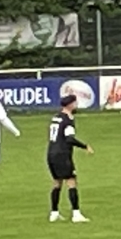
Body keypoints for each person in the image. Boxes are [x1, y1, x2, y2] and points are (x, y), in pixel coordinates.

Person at [46, 92, 93, 224]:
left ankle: (54, 213)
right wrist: (85, 146)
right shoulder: (68, 120)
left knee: (57, 182)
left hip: (51, 153)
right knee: (71, 182)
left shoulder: (55, 117)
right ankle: (76, 214)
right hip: (62, 154)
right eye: (75, 103)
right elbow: (69, 139)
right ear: (71, 104)